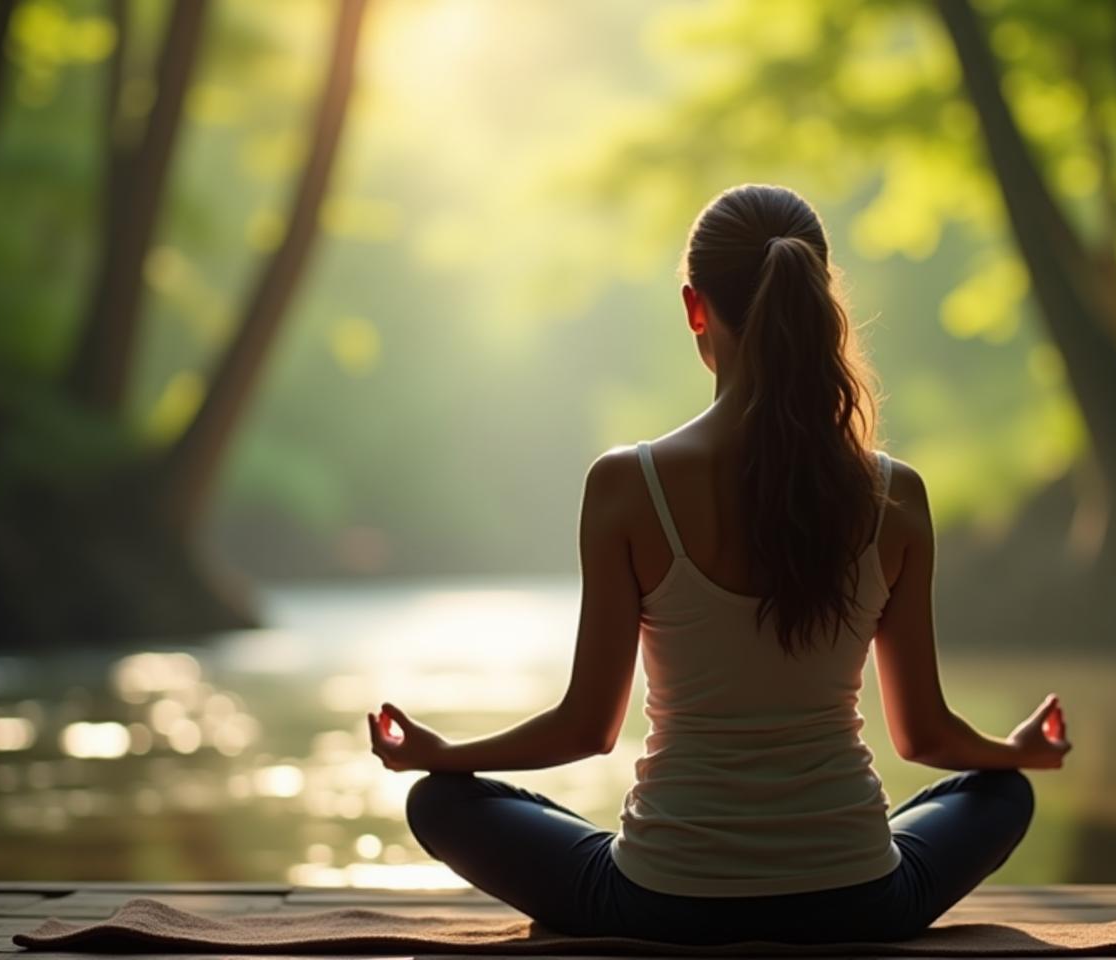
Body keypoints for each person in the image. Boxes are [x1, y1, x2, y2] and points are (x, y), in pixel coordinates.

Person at [366, 183, 1072, 946]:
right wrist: (1014, 753)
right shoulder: (895, 494)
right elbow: (925, 737)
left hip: (664, 905)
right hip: (860, 900)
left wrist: (446, 755)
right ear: (817, 297)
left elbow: (587, 729)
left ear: (695, 308)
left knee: (439, 804)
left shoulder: (627, 485)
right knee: (1002, 796)